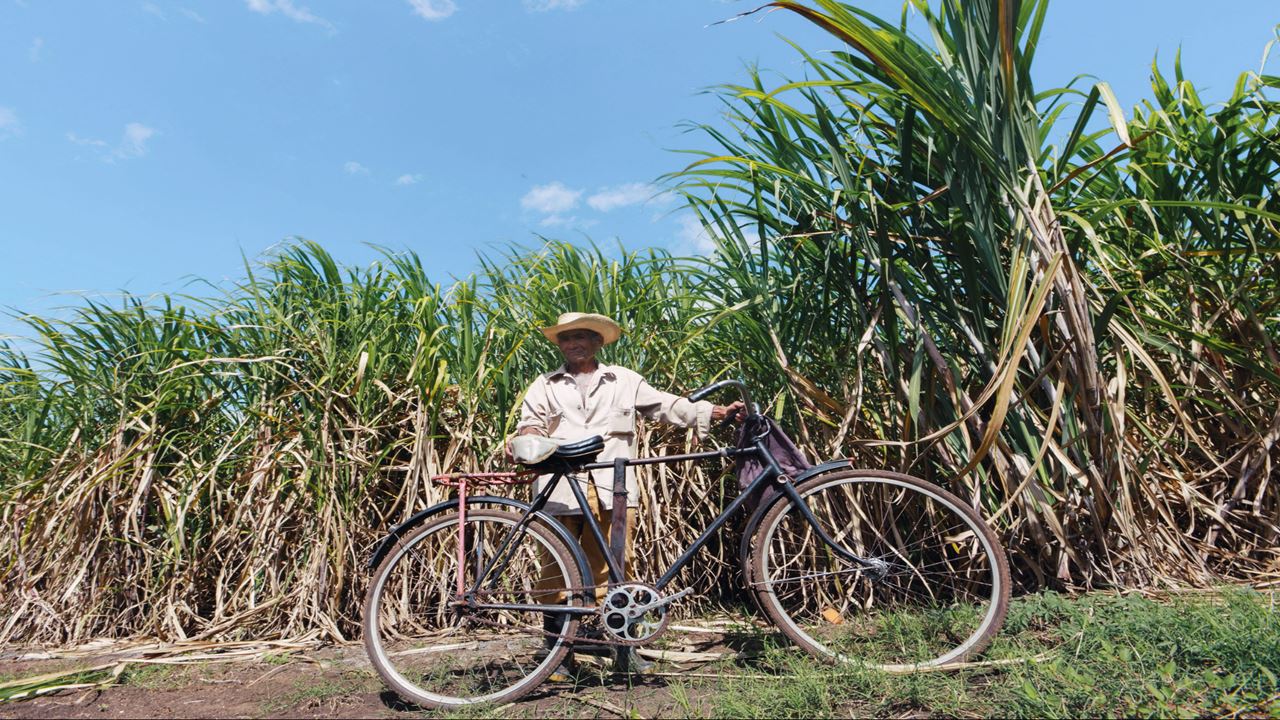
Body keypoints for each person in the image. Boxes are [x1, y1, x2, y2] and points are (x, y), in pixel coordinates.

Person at [510, 311, 743, 678]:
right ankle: (557, 658)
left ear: (597, 342)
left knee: (618, 569)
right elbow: (530, 422)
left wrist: (712, 412)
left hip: (612, 489)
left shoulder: (624, 380)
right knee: (556, 572)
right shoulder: (545, 384)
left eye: (581, 338)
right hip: (558, 488)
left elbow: (667, 405)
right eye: (566, 339)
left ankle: (623, 653)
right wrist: (526, 437)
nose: (573, 345)